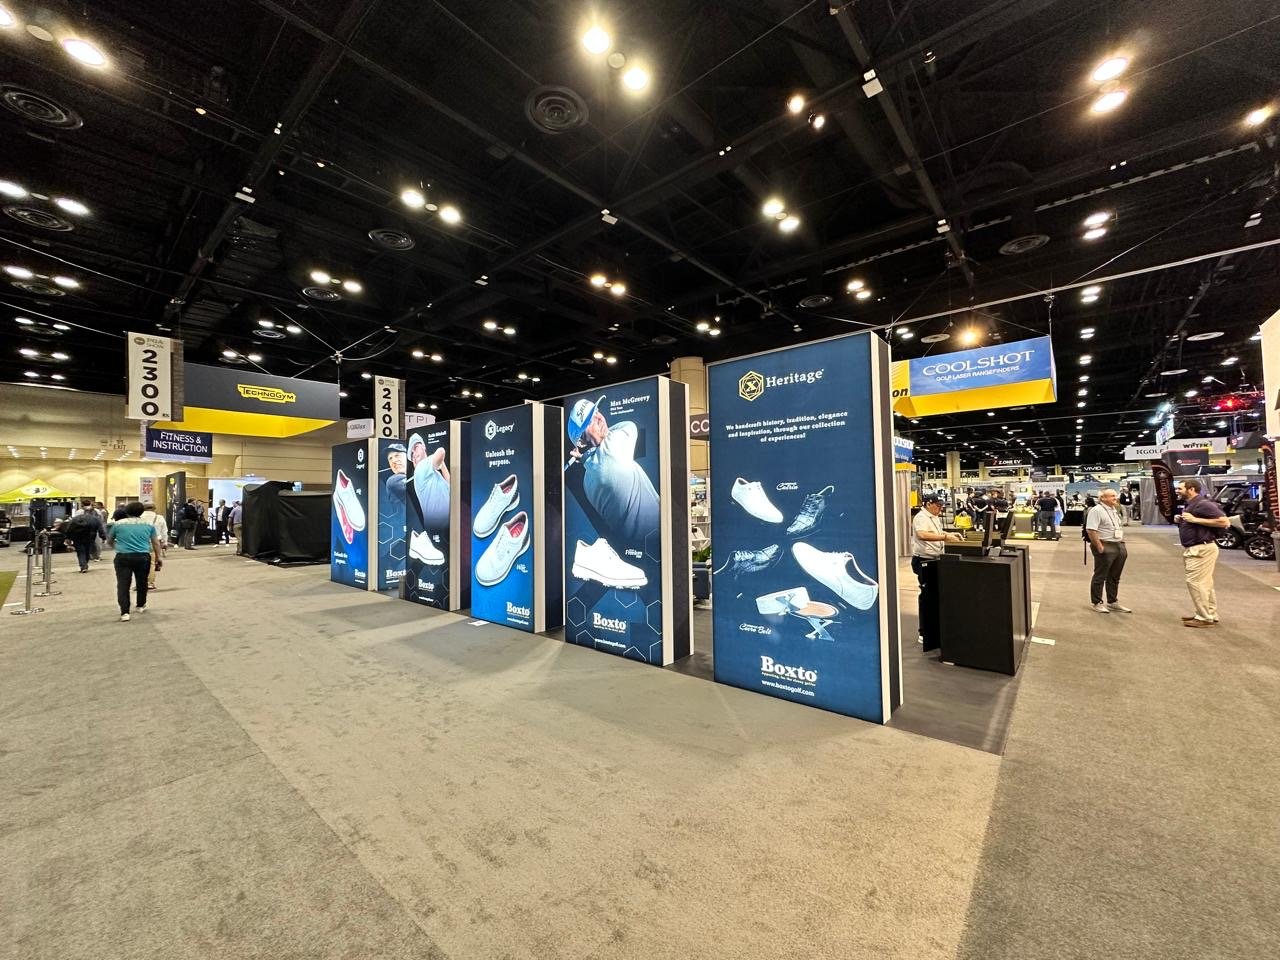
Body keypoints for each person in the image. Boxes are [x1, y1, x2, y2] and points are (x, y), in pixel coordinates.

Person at [567, 394, 660, 548]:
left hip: (636, 545)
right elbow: (629, 426)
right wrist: (598, 442)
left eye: (596, 411)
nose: (599, 418)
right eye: (590, 421)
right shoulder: (613, 446)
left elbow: (595, 458)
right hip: (658, 537)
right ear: (581, 440)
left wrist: (584, 456)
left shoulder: (587, 482)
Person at [911, 494, 962, 650]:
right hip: (923, 561)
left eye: (941, 506)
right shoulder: (921, 517)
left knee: (935, 596)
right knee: (926, 597)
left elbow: (935, 533)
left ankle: (935, 629)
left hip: (935, 559)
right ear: (928, 504)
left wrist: (950, 535)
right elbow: (922, 534)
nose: (940, 509)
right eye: (938, 506)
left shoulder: (934, 517)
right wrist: (946, 537)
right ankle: (924, 632)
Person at [1175, 478, 1229, 628]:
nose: (1177, 491)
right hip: (1199, 548)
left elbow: (1225, 522)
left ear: (1191, 489)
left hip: (1201, 549)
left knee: (1195, 582)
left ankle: (1204, 617)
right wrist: (1182, 520)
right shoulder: (1192, 504)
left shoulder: (1203, 504)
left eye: (1180, 488)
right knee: (1205, 584)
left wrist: (1195, 519)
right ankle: (1209, 614)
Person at [108, 501, 162, 622]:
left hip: (123, 557)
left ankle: (125, 612)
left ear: (127, 511)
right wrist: (159, 557)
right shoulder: (148, 524)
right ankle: (140, 605)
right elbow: (155, 543)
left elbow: (109, 540)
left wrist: (117, 547)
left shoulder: (117, 524)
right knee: (142, 582)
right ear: (141, 512)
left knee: (123, 584)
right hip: (143, 556)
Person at [1085, 488, 1131, 614]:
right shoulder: (1096, 511)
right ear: (1103, 498)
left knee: (1114, 576)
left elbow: (1117, 527)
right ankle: (1097, 602)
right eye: (1112, 496)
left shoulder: (1114, 510)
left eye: (1115, 495)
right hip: (1105, 545)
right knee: (1100, 575)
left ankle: (1112, 602)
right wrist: (1099, 546)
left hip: (1118, 544)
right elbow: (1091, 530)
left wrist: (1122, 541)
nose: (1115, 498)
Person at [407, 434, 450, 532]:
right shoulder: (421, 468)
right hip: (441, 528)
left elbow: (450, 486)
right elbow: (441, 451)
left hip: (441, 527)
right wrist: (439, 463)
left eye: (416, 447)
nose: (414, 454)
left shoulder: (433, 475)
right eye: (412, 454)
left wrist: (441, 465)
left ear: (424, 447)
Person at [64, 499, 104, 572]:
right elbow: (100, 526)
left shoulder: (77, 516)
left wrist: (68, 537)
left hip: (78, 537)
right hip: (90, 537)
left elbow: (70, 527)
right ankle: (85, 563)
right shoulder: (95, 518)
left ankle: (83, 565)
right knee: (87, 551)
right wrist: (103, 536)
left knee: (80, 551)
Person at [139, 502, 168, 590]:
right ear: (154, 508)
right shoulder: (159, 518)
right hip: (155, 542)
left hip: (141, 542)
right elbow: (164, 531)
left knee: (140, 564)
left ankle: (140, 583)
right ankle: (150, 583)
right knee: (151, 563)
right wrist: (165, 543)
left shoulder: (139, 518)